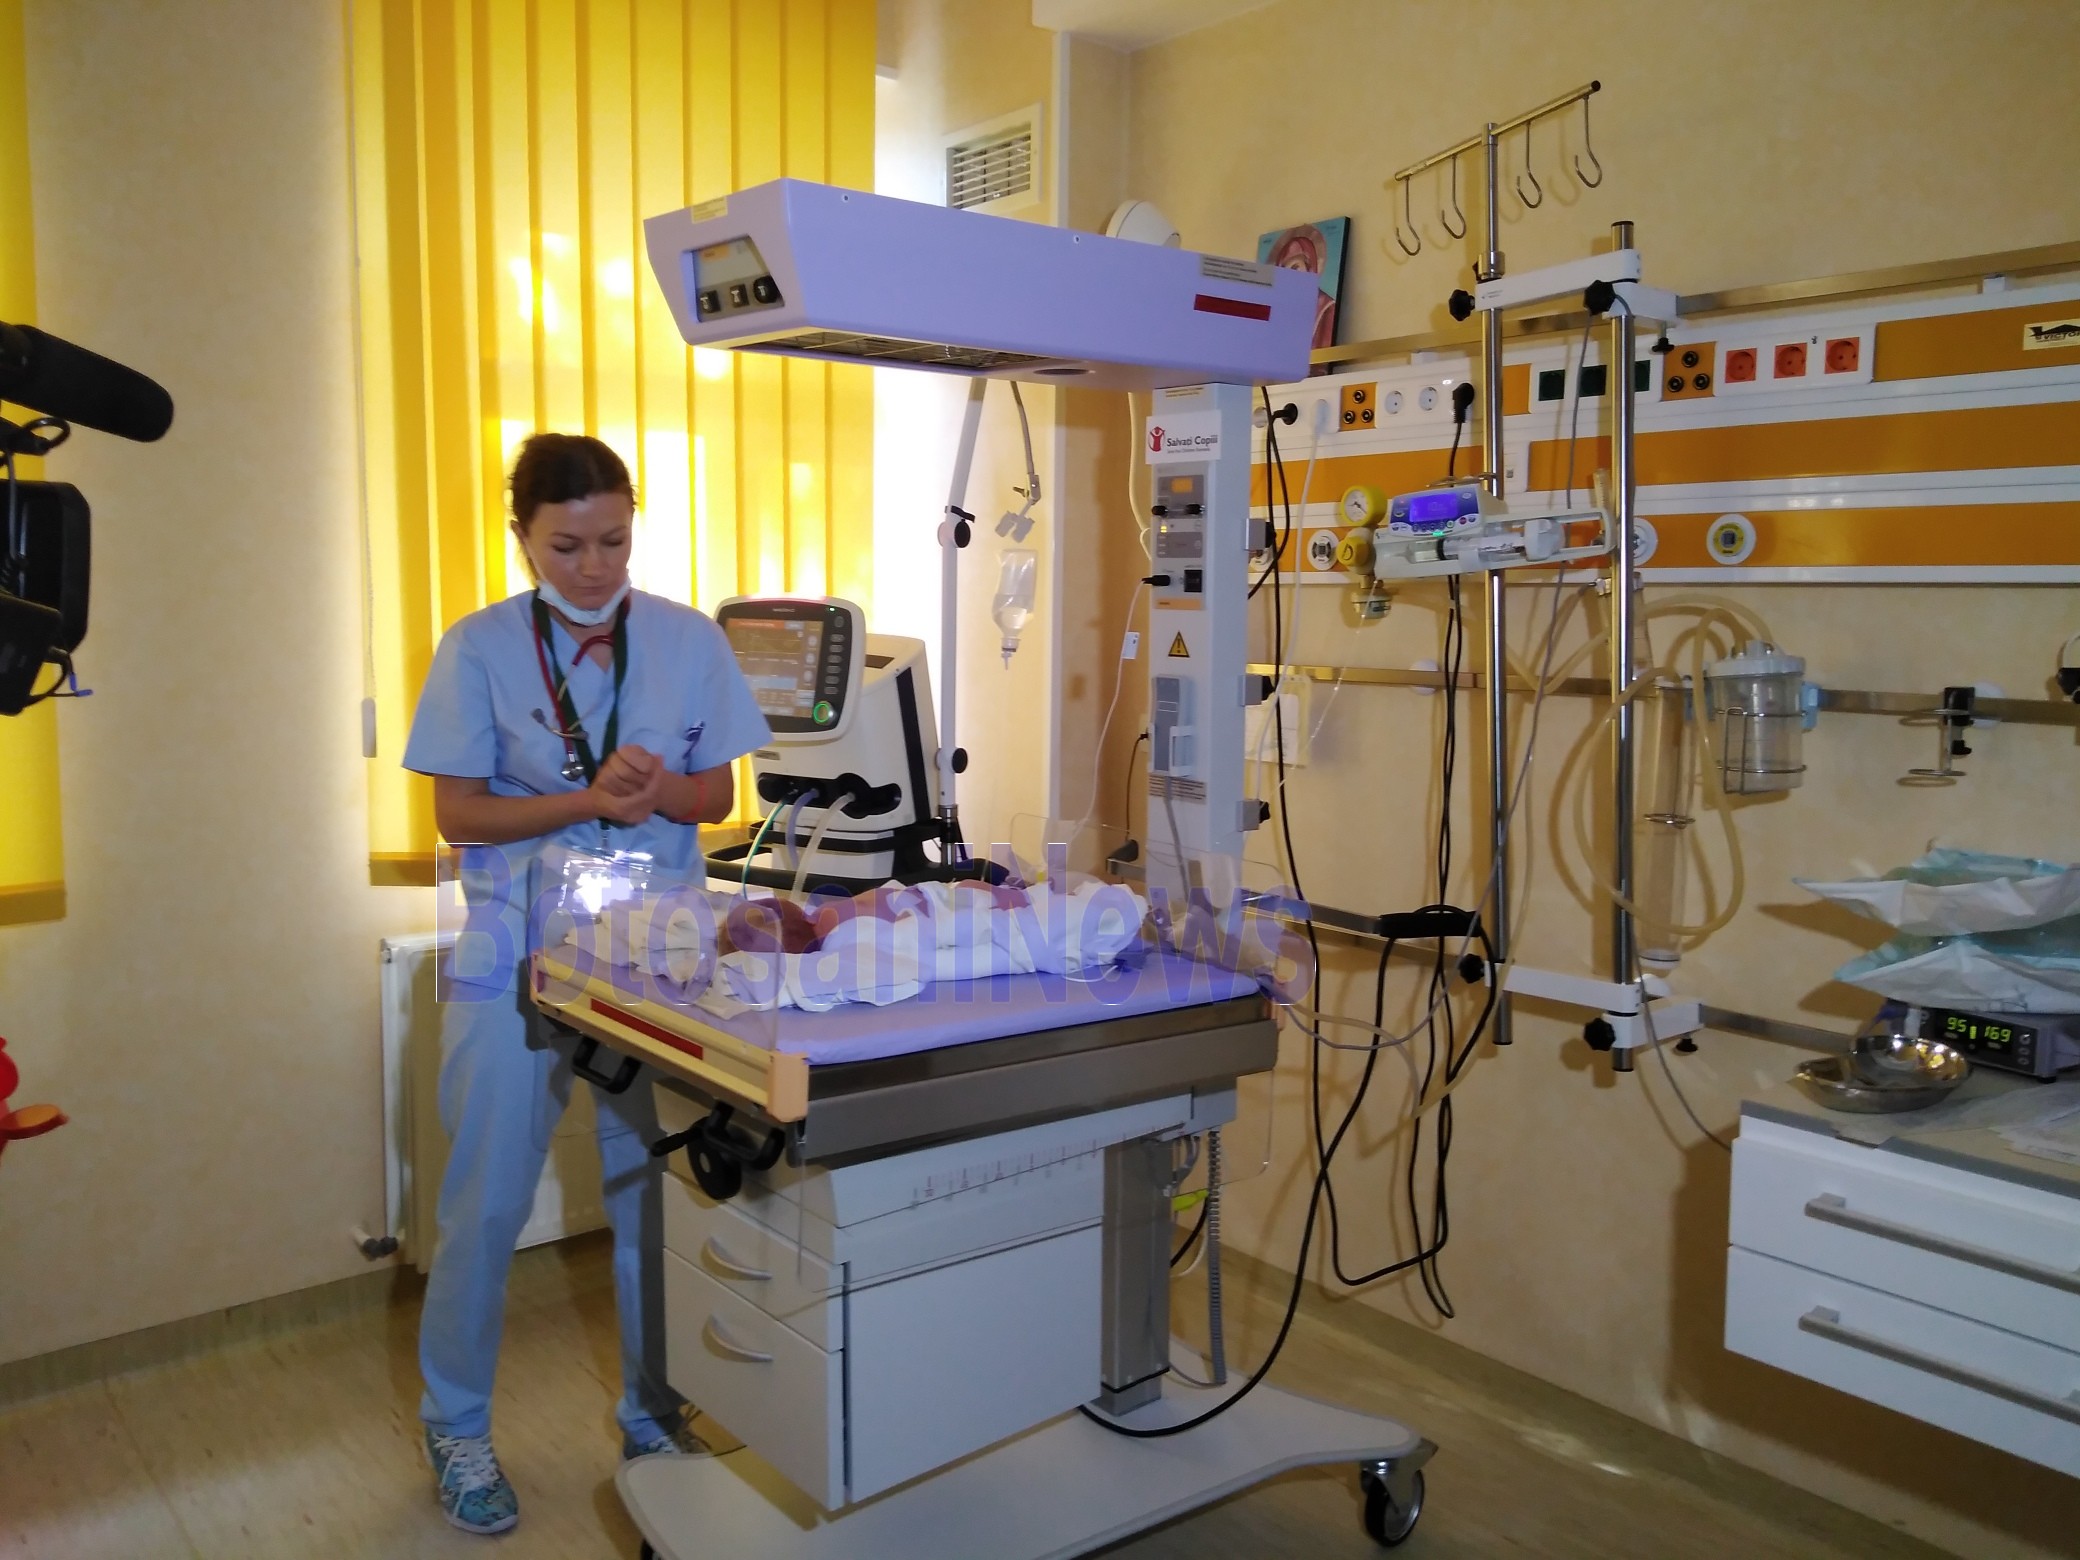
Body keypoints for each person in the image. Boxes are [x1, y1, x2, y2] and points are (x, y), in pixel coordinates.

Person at [402, 433, 771, 1534]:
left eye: (613, 540)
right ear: (522, 535)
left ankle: (654, 1415)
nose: (594, 566)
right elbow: (459, 814)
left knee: (650, 1193)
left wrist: (662, 791)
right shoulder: (477, 649)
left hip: (651, 961)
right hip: (512, 953)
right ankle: (456, 1425)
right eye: (566, 546)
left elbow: (718, 798)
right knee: (483, 1204)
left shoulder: (687, 639)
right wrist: (587, 801)